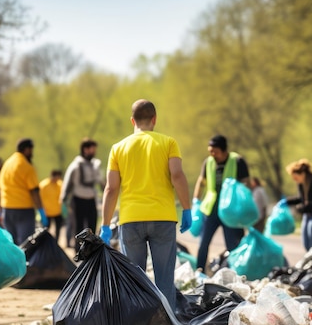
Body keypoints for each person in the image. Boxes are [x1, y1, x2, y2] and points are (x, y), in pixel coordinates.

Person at [99, 99, 191, 311]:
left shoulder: (118, 148)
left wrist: (105, 225)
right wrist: (187, 208)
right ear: (154, 119)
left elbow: (111, 189)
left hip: (131, 220)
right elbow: (177, 175)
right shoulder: (168, 143)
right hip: (163, 218)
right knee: (164, 279)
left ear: (132, 120)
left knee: (134, 280)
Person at [192, 135, 250, 272]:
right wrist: (196, 200)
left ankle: (235, 273)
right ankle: (199, 271)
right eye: (210, 151)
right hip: (211, 209)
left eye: (215, 152)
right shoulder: (208, 162)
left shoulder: (237, 161)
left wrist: (242, 207)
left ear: (224, 151)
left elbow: (246, 184)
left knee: (233, 245)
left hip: (231, 211)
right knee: (203, 243)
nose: (212, 155)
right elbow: (201, 181)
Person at [0, 138, 49, 245]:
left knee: (11, 244)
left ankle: (12, 262)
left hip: (7, 210)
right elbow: (34, 191)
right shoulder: (26, 166)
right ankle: (23, 262)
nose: (31, 153)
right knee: (26, 244)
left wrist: (0, 210)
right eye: (31, 150)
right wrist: (41, 212)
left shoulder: (7, 163)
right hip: (24, 211)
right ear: (27, 150)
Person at [60, 138, 103, 249]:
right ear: (85, 149)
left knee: (92, 225)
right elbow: (68, 183)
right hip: (78, 199)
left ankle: (91, 249)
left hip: (91, 198)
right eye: (92, 149)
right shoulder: (75, 165)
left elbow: (101, 181)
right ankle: (78, 249)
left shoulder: (94, 165)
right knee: (78, 226)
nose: (94, 152)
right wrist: (63, 199)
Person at [39, 169, 64, 243]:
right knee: (45, 230)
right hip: (47, 212)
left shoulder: (60, 184)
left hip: (58, 211)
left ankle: (56, 243)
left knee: (58, 229)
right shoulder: (44, 185)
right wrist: (41, 212)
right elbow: (39, 199)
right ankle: (44, 243)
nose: (58, 179)